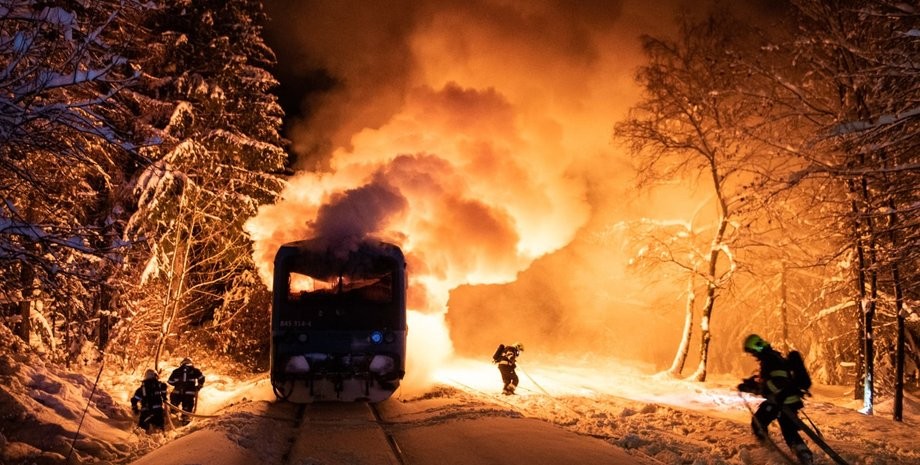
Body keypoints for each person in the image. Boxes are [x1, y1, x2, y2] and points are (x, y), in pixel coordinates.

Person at [738, 334, 814, 465]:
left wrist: (754, 388)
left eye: (752, 352)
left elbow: (777, 383)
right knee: (788, 430)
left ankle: (768, 450)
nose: (753, 355)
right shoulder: (773, 357)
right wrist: (754, 383)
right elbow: (773, 379)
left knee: (758, 422)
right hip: (789, 400)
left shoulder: (770, 359)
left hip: (781, 402)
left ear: (756, 348)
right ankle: (803, 453)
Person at [167, 357, 205, 423]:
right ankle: (185, 418)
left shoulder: (176, 371)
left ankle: (173, 416)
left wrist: (177, 384)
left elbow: (170, 381)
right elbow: (201, 378)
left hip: (177, 393)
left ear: (182, 363)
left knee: (174, 405)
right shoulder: (195, 370)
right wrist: (198, 387)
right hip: (189, 393)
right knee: (187, 406)